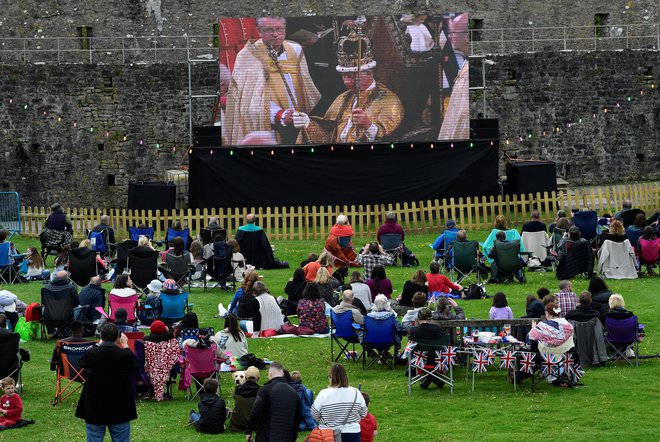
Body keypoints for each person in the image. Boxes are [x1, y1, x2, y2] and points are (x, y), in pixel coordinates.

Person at [295, 29, 404, 144]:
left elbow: (392, 139)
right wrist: (308, 123)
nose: (347, 81)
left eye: (352, 76)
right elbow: (328, 135)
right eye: (344, 76)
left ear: (369, 73)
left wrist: (369, 126)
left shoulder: (390, 101)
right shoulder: (342, 98)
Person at [224, 16, 320, 145]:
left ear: (285, 30)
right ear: (259, 31)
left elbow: (307, 87)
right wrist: (279, 115)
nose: (275, 34)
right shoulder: (248, 55)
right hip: (268, 126)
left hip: (298, 121)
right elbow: (249, 99)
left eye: (279, 29)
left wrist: (303, 115)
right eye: (269, 30)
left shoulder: (295, 49)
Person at [75, 323, 138, 441]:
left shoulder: (92, 353)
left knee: (94, 437)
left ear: (101, 336)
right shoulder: (124, 355)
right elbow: (135, 363)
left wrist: (99, 344)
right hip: (120, 406)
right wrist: (125, 345)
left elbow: (81, 363)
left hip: (95, 406)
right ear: (118, 337)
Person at [245, 361, 302, 442]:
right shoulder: (294, 393)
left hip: (267, 436)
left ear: (270, 374)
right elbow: (298, 417)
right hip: (287, 437)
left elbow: (255, 411)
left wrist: (249, 431)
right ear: (282, 374)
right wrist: (294, 435)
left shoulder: (264, 390)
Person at [310, 363, 367, 442]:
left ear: (331, 378)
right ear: (345, 377)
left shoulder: (324, 394)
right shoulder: (356, 392)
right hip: (352, 433)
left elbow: (314, 414)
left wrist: (325, 421)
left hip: (328, 434)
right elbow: (363, 413)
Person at [527, 296, 575, 385]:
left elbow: (531, 338)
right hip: (564, 353)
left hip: (547, 353)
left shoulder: (543, 325)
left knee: (534, 348)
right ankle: (561, 375)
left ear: (548, 313)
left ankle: (520, 376)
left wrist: (533, 328)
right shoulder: (568, 325)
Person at [408, 307, 447, 389]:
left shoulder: (413, 331)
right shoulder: (438, 329)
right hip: (437, 359)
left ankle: (428, 378)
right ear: (431, 317)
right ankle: (433, 378)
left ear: (418, 318)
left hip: (420, 359)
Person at [143, 320, 179, 402]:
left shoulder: (145, 341)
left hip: (150, 370)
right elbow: (175, 356)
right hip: (167, 370)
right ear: (164, 329)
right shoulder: (172, 342)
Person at [231, 366, 261, 432]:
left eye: (241, 376)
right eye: (236, 377)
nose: (237, 379)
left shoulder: (237, 390)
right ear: (258, 378)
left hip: (237, 425)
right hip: (254, 425)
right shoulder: (261, 390)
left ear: (246, 377)